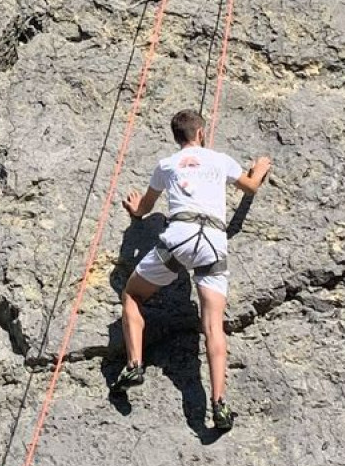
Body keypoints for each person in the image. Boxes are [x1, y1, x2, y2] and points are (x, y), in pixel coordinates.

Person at [117, 109, 274, 431]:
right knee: (213, 326)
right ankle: (219, 403)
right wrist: (259, 168)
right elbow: (249, 187)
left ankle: (134, 364)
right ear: (201, 133)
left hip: (179, 236)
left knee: (132, 295)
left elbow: (145, 208)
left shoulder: (166, 165)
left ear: (177, 137)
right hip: (213, 241)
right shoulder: (219, 160)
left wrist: (135, 211)